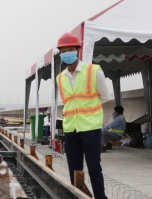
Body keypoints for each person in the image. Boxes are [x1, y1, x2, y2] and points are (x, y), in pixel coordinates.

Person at [56, 32, 109, 199]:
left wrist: (89, 114)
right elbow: (67, 102)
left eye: (70, 50)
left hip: (90, 129)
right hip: (71, 129)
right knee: (74, 169)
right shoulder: (60, 78)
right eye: (63, 51)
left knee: (94, 168)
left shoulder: (93, 71)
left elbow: (105, 96)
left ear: (77, 50)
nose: (67, 54)